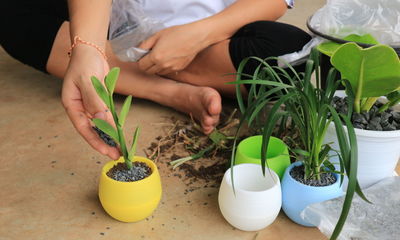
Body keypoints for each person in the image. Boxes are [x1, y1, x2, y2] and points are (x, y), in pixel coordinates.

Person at [1, 0, 311, 160]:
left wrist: (196, 37)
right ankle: (167, 91)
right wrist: (86, 46)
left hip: (210, 38)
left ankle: (153, 67)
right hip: (111, 23)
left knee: (291, 56)